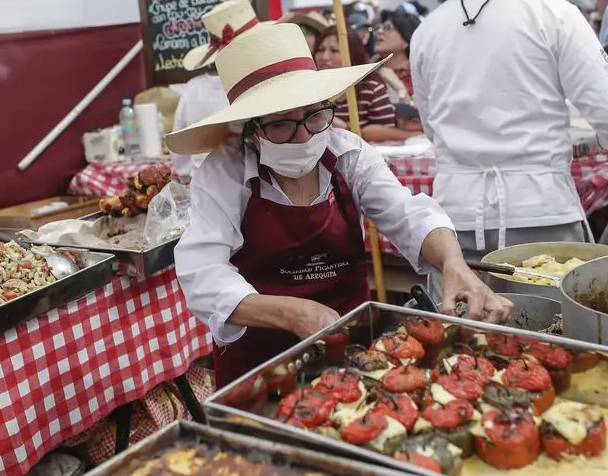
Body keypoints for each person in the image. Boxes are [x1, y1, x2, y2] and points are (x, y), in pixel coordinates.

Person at [167, 22, 512, 387]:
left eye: (315, 115)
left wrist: (453, 263)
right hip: (258, 368)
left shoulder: (347, 153)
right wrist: (289, 312)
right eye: (282, 124)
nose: (305, 136)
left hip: (351, 352)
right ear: (250, 129)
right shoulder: (225, 172)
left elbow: (408, 213)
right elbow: (202, 273)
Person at [413, 0, 608, 297]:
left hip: (455, 218)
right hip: (541, 209)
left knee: (462, 340)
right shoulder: (553, 12)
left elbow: (432, 130)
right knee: (553, 339)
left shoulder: (428, 29)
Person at [172, 0, 269, 180]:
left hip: (201, 184)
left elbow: (180, 157)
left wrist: (191, 177)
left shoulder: (192, 88)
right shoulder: (255, 83)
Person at [313, 25, 419, 143]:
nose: (324, 57)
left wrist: (345, 128)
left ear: (352, 55)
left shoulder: (371, 90)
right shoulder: (310, 92)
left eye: (334, 51)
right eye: (320, 49)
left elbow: (387, 139)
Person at [374, 10, 421, 103]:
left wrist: (399, 88)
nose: (379, 31)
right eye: (379, 27)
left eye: (388, 28)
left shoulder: (418, 74)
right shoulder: (371, 72)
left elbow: (421, 113)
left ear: (406, 39)